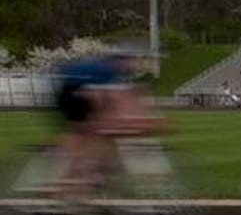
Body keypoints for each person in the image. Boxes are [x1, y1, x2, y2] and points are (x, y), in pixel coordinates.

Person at [51, 49, 162, 201]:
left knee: (99, 133)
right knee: (89, 134)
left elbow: (110, 100)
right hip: (72, 94)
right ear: (121, 61)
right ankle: (74, 179)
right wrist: (141, 119)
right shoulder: (107, 71)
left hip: (73, 92)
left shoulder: (105, 69)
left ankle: (90, 174)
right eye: (131, 62)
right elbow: (109, 99)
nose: (135, 66)